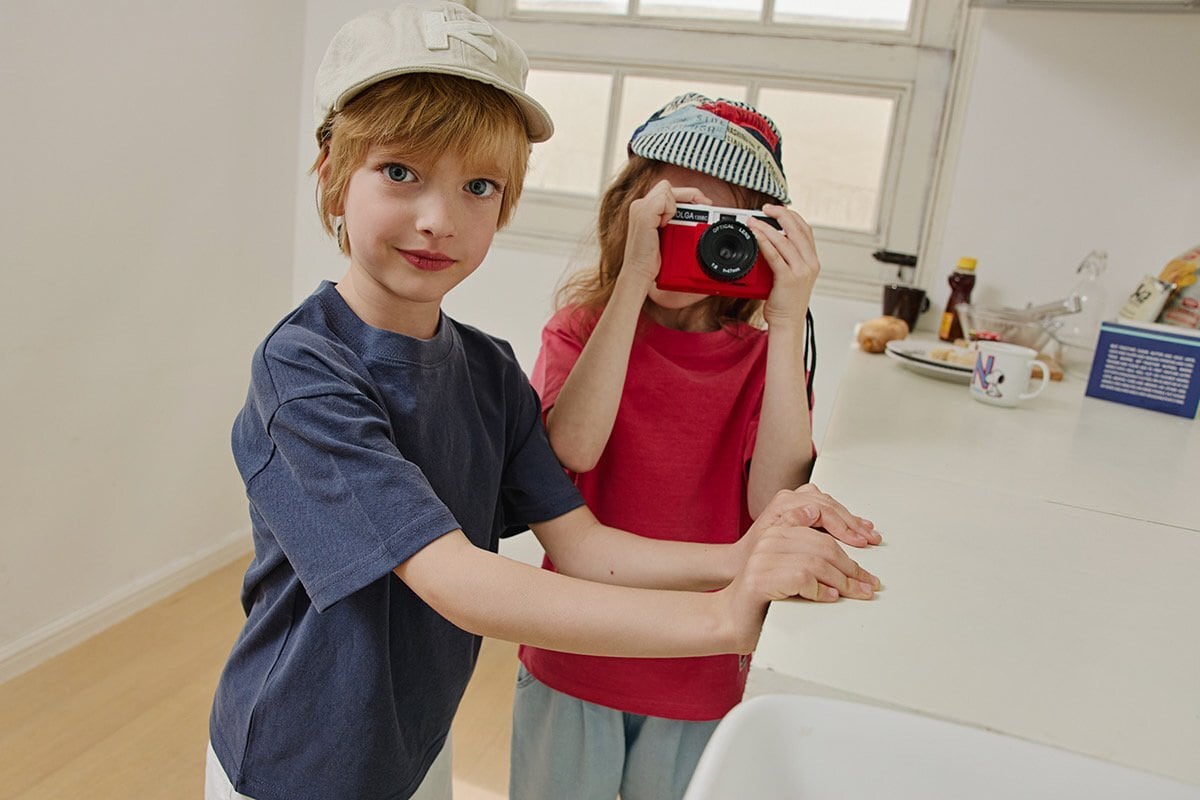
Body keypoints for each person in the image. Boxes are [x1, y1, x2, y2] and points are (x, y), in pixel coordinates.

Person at [205, 5, 880, 800]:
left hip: (414, 739)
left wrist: (744, 558)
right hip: (299, 759)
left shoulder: (487, 369)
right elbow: (455, 579)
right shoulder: (303, 370)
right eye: (399, 172)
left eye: (478, 186)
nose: (438, 220)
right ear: (330, 173)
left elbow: (583, 544)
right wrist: (724, 615)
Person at [510, 93, 882, 800]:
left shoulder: (763, 360)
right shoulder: (580, 330)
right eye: (671, 219)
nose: (686, 243)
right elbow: (574, 448)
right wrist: (632, 282)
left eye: (716, 227)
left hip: (700, 662)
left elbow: (774, 500)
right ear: (629, 216)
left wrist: (788, 319)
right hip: (579, 650)